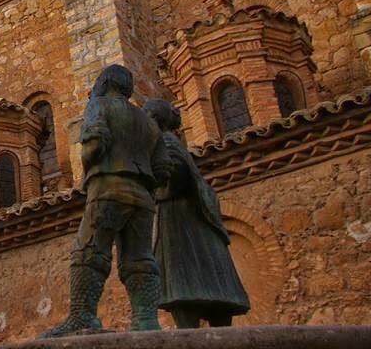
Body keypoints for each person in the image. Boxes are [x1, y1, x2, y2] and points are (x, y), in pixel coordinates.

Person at [41, 65, 170, 336]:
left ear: (105, 82)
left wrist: (87, 167)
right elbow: (163, 169)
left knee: (89, 251)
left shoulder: (99, 103)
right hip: (144, 195)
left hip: (108, 185)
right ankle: (146, 321)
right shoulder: (148, 120)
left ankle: (82, 316)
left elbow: (95, 141)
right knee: (140, 258)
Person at [145, 98, 250, 328]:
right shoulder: (173, 143)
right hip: (191, 223)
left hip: (178, 223)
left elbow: (172, 182)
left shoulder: (166, 144)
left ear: (157, 120)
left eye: (148, 118)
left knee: (181, 292)